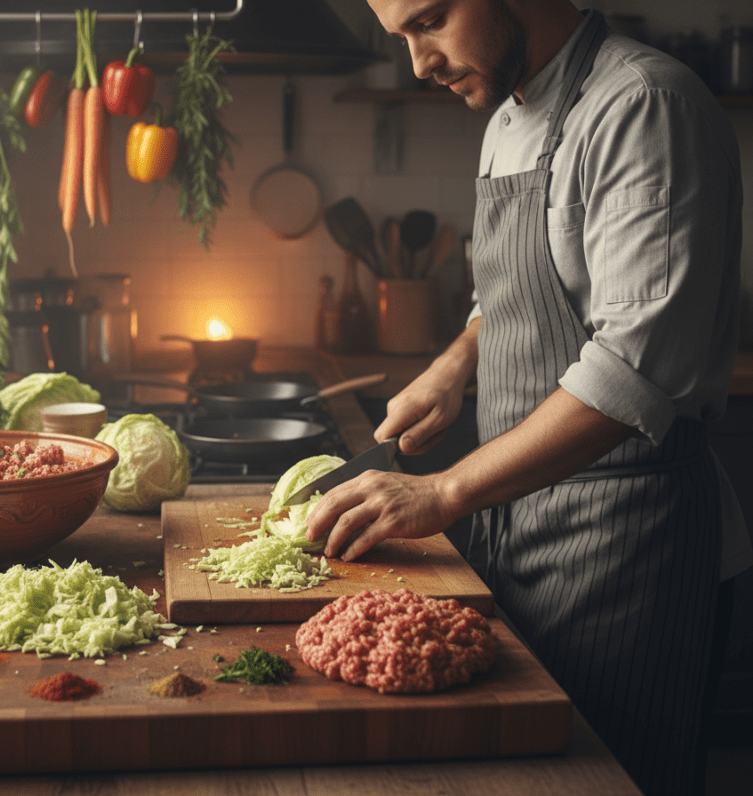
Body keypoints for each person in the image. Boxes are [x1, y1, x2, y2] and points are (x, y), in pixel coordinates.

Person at [304, 2, 752, 794]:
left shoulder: (644, 105)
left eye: (431, 21)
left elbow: (632, 368)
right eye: (400, 36)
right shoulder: (510, 112)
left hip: (624, 547)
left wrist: (443, 490)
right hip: (516, 526)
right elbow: (515, 291)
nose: (419, 63)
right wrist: (456, 363)